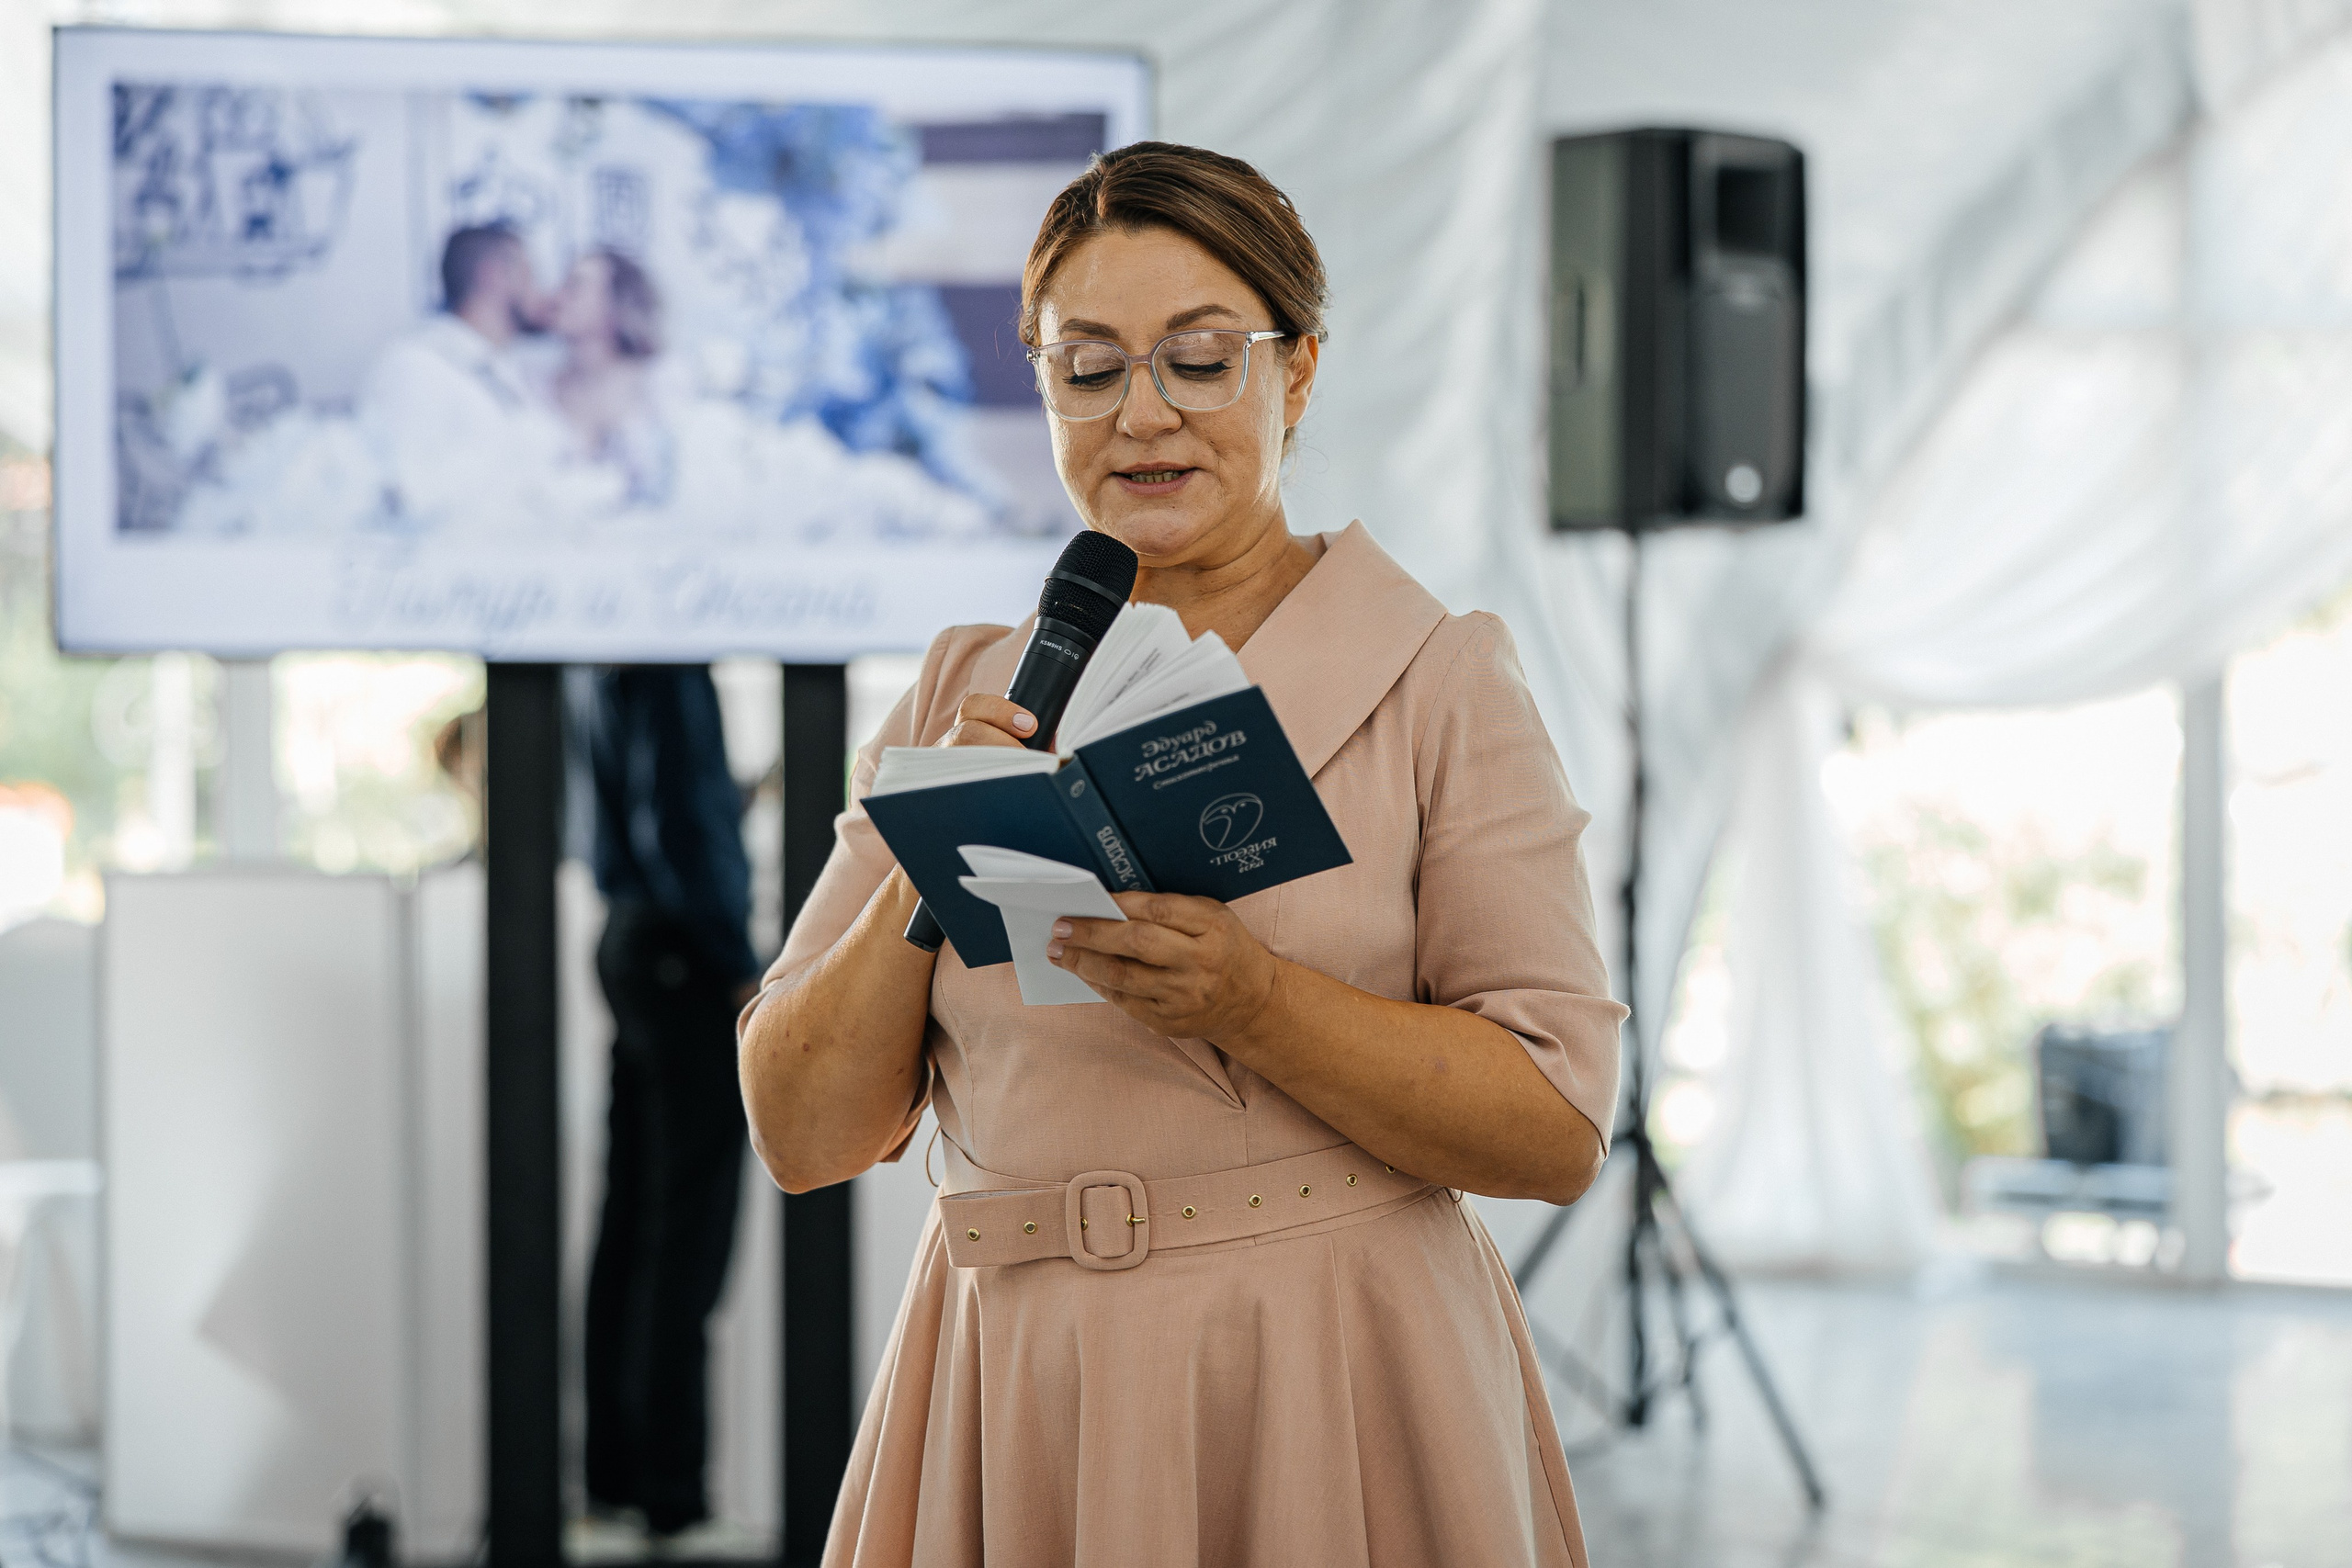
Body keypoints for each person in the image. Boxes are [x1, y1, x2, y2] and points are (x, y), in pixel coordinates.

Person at [738, 142, 1627, 1567]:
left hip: (1334, 1372)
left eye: (1200, 360)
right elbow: (799, 1128)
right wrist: (931, 850)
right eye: (1088, 369)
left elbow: (1555, 1122)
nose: (1143, 413)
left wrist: (1255, 1002)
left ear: (1301, 370)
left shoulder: (1436, 676)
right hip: (1016, 1378)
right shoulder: (966, 681)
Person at [581, 665, 763, 1542]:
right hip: (687, 957)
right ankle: (670, 1489)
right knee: (686, 1233)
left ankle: (617, 1472)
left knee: (631, 1224)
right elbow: (683, 825)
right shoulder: (671, 663)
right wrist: (740, 967)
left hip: (628, 937)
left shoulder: (599, 653)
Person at [358, 222, 621, 532]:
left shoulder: (509, 373)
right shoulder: (415, 365)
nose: (543, 294)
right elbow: (408, 498)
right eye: (529, 275)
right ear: (494, 275)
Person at [547, 247, 675, 508]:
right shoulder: (538, 383)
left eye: (575, 287)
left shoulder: (657, 385)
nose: (559, 298)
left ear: (615, 303)